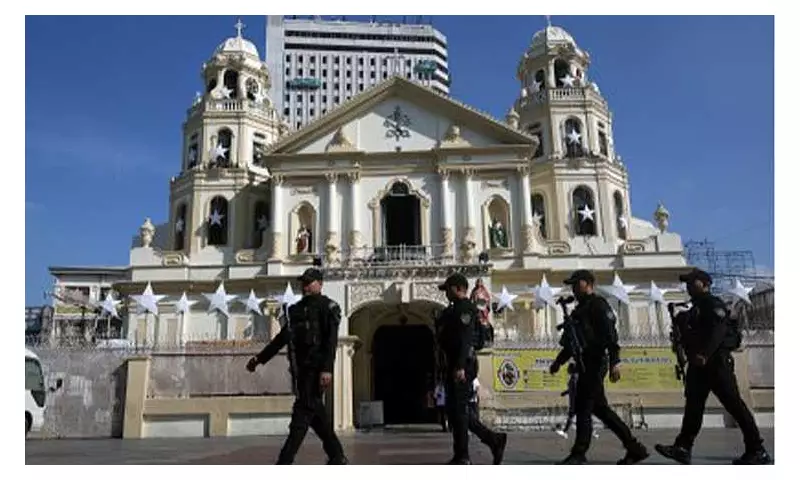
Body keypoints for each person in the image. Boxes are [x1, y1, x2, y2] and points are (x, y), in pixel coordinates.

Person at [655, 269, 772, 465]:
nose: (689, 287)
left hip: (715, 362)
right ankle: (683, 447)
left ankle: (757, 449)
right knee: (693, 406)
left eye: (694, 282)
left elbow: (718, 331)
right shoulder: (694, 308)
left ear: (705, 284)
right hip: (699, 365)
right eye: (688, 283)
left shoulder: (711, 303)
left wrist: (705, 354)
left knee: (734, 405)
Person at [245, 268, 348, 465]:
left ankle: (285, 460)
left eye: (309, 282)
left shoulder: (329, 307)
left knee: (301, 414)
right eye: (304, 282)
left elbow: (331, 342)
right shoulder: (295, 311)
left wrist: (327, 369)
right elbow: (280, 339)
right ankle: (336, 455)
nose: (305, 286)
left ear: (320, 284)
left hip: (316, 370)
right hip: (300, 370)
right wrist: (259, 359)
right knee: (317, 415)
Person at [548, 269, 649, 465]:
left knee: (583, 406)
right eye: (572, 285)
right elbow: (571, 343)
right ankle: (635, 448)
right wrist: (558, 362)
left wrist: (614, 362)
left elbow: (611, 336)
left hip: (596, 361)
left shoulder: (598, 305)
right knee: (601, 410)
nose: (574, 289)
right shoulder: (578, 311)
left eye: (577, 284)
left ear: (588, 284)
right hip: (584, 362)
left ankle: (579, 452)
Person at [436, 273, 507, 465]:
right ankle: (493, 440)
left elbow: (466, 339)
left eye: (448, 289)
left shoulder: (465, 308)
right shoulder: (453, 310)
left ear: (458, 288)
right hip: (453, 364)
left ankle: (463, 455)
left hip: (462, 365)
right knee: (456, 411)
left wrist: (459, 366)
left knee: (459, 411)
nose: (446, 294)